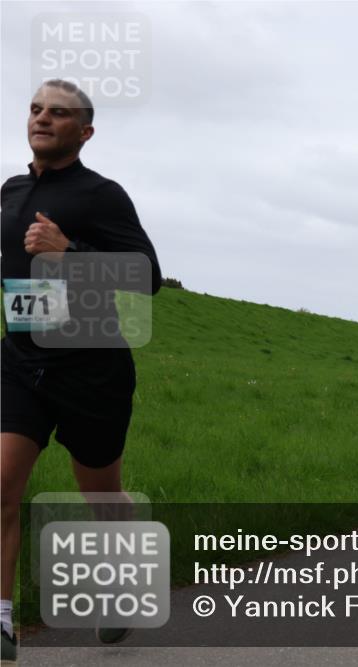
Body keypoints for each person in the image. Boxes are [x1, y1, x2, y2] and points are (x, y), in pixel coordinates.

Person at [1, 80, 162, 662]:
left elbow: (147, 277)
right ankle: (3, 624)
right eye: (36, 109)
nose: (42, 118)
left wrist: (68, 252)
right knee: (2, 485)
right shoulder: (11, 191)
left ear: (85, 131)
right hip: (21, 361)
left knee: (101, 493)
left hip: (91, 367)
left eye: (58, 112)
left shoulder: (102, 195)